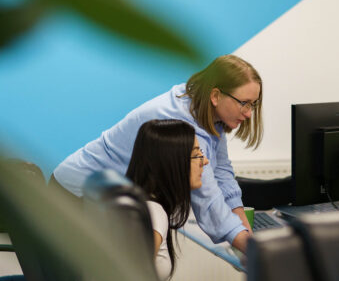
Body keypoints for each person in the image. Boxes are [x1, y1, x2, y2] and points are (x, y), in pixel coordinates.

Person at [52, 54, 263, 253]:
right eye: (244, 103)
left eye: (253, 104)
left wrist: (247, 234)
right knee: (111, 280)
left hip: (110, 197)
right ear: (216, 96)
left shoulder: (207, 111)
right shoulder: (180, 121)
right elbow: (207, 197)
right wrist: (254, 249)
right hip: (75, 193)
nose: (248, 113)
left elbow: (222, 174)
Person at [126, 119, 210, 281]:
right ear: (172, 163)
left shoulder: (137, 202)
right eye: (196, 154)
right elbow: (132, 280)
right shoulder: (152, 213)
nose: (204, 161)